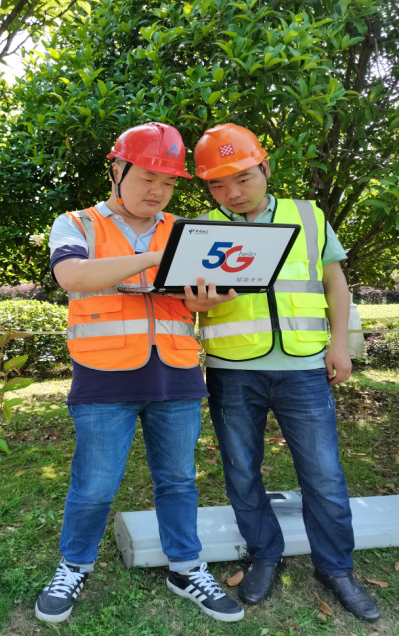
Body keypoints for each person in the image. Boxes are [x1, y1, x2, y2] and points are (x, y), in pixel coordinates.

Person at [35, 122, 244, 624]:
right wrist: (154, 257)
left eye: (168, 182)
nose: (158, 190)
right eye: (148, 177)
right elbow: (72, 275)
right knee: (95, 485)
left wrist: (208, 299)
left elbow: (202, 298)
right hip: (103, 376)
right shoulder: (77, 223)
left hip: (176, 373)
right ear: (117, 169)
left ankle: (186, 567)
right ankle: (74, 565)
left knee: (179, 481)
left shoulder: (187, 231)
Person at [192, 123, 380, 622]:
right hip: (232, 370)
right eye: (217, 184)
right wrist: (195, 303)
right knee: (241, 472)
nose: (232, 192)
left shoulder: (308, 216)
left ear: (266, 168)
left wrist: (340, 345)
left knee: (323, 474)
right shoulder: (200, 230)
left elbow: (335, 283)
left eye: (243, 178)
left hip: (304, 367)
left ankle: (335, 568)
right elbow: (185, 302)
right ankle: (264, 555)